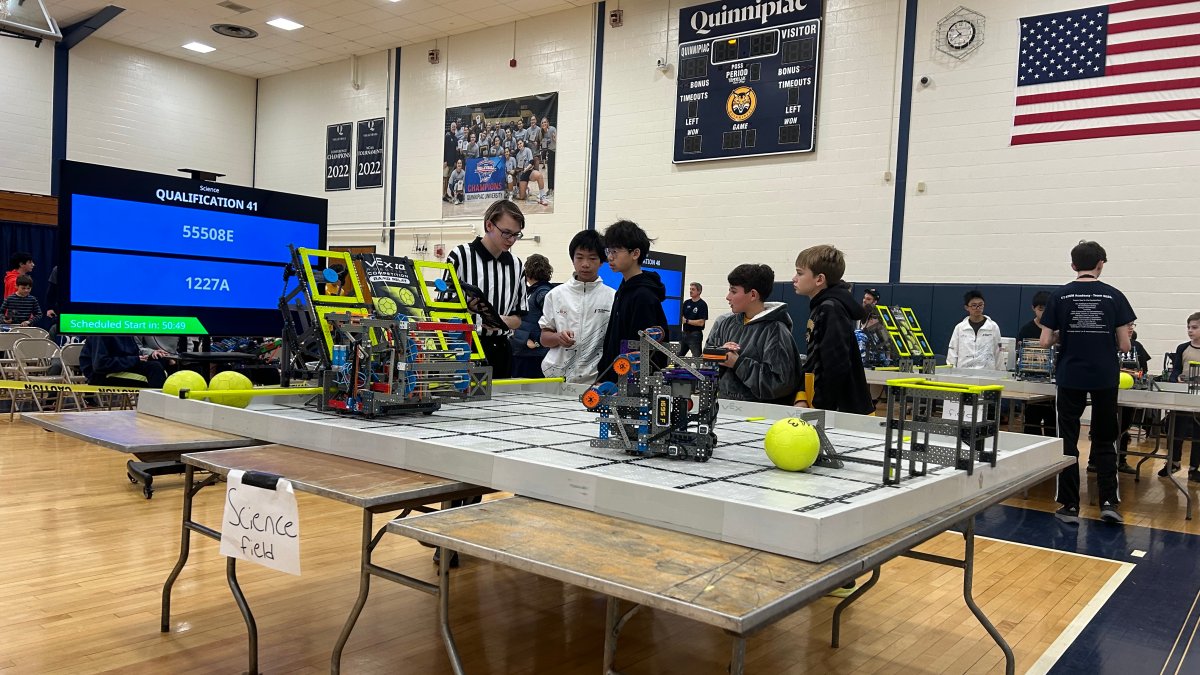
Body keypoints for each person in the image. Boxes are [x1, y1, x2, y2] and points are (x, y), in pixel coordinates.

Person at [1040, 240, 1135, 526]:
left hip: (1070, 375)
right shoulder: (1114, 296)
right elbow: (1125, 344)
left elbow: (1045, 341)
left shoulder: (1060, 296)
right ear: (1101, 264)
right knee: (1106, 438)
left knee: (1067, 439)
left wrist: (1064, 336)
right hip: (1105, 376)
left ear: (1072, 266)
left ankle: (1069, 505)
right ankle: (1108, 502)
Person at [446, 199, 527, 380]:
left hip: (502, 349)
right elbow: (443, 308)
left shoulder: (517, 265)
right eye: (506, 233)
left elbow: (519, 318)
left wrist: (501, 320)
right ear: (489, 225)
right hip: (465, 345)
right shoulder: (460, 256)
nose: (511, 240)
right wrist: (467, 308)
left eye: (516, 234)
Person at [792, 245, 873, 414]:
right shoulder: (821, 307)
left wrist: (820, 408)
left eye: (800, 273)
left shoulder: (831, 309)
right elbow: (814, 359)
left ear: (819, 279)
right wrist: (801, 396)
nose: (794, 278)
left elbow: (835, 365)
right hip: (821, 405)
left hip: (839, 411)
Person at [704, 264, 801, 404]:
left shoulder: (775, 331)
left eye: (733, 291)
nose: (728, 297)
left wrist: (738, 363)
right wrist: (719, 354)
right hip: (723, 408)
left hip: (758, 416)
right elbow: (704, 364)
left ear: (753, 295)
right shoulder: (725, 324)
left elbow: (780, 384)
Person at [595, 220, 668, 383]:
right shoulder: (624, 289)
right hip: (614, 378)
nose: (610, 257)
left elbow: (643, 349)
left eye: (615, 251)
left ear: (635, 254)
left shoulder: (643, 296)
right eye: (608, 251)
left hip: (631, 384)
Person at [539, 230, 615, 383]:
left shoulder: (612, 297)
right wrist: (557, 337)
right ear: (573, 259)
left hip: (595, 379)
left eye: (592, 258)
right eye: (579, 257)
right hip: (556, 378)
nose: (585, 264)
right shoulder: (555, 295)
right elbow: (544, 338)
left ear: (602, 261)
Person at [1162, 313, 1200, 482]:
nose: (1190, 331)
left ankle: (1194, 468)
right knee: (1177, 431)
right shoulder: (1182, 348)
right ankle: (1173, 462)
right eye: (1189, 327)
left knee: (1198, 435)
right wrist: (1175, 378)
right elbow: (1176, 370)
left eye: (1194, 327)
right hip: (1182, 396)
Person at [1018, 291, 1057, 438]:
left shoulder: (1058, 329)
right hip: (1032, 382)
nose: (1044, 313)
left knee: (1052, 424)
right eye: (1041, 309)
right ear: (1033, 308)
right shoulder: (1026, 330)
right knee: (1031, 422)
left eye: (1047, 309)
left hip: (1053, 385)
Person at [510, 254, 554, 378]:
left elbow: (554, 320)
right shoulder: (533, 291)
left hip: (534, 354)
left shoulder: (542, 292)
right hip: (524, 351)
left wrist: (536, 342)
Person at [80, 335, 168, 388]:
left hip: (123, 366)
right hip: (102, 375)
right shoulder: (102, 333)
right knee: (154, 369)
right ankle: (158, 408)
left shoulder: (125, 330)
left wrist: (150, 355)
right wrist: (134, 360)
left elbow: (133, 354)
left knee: (159, 360)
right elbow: (100, 365)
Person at [946, 290, 1002, 370]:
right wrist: (952, 372)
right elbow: (952, 352)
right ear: (966, 307)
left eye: (980, 305)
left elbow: (998, 353)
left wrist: (999, 374)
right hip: (963, 373)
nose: (977, 308)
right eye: (974, 305)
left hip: (987, 373)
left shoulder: (993, 327)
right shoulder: (960, 328)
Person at [679, 282, 708, 357]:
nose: (690, 291)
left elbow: (701, 322)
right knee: (677, 357)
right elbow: (681, 317)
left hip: (695, 335)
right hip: (684, 333)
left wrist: (687, 321)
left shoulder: (702, 305)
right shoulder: (686, 303)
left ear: (699, 291)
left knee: (696, 358)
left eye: (693, 289)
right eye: (690, 289)